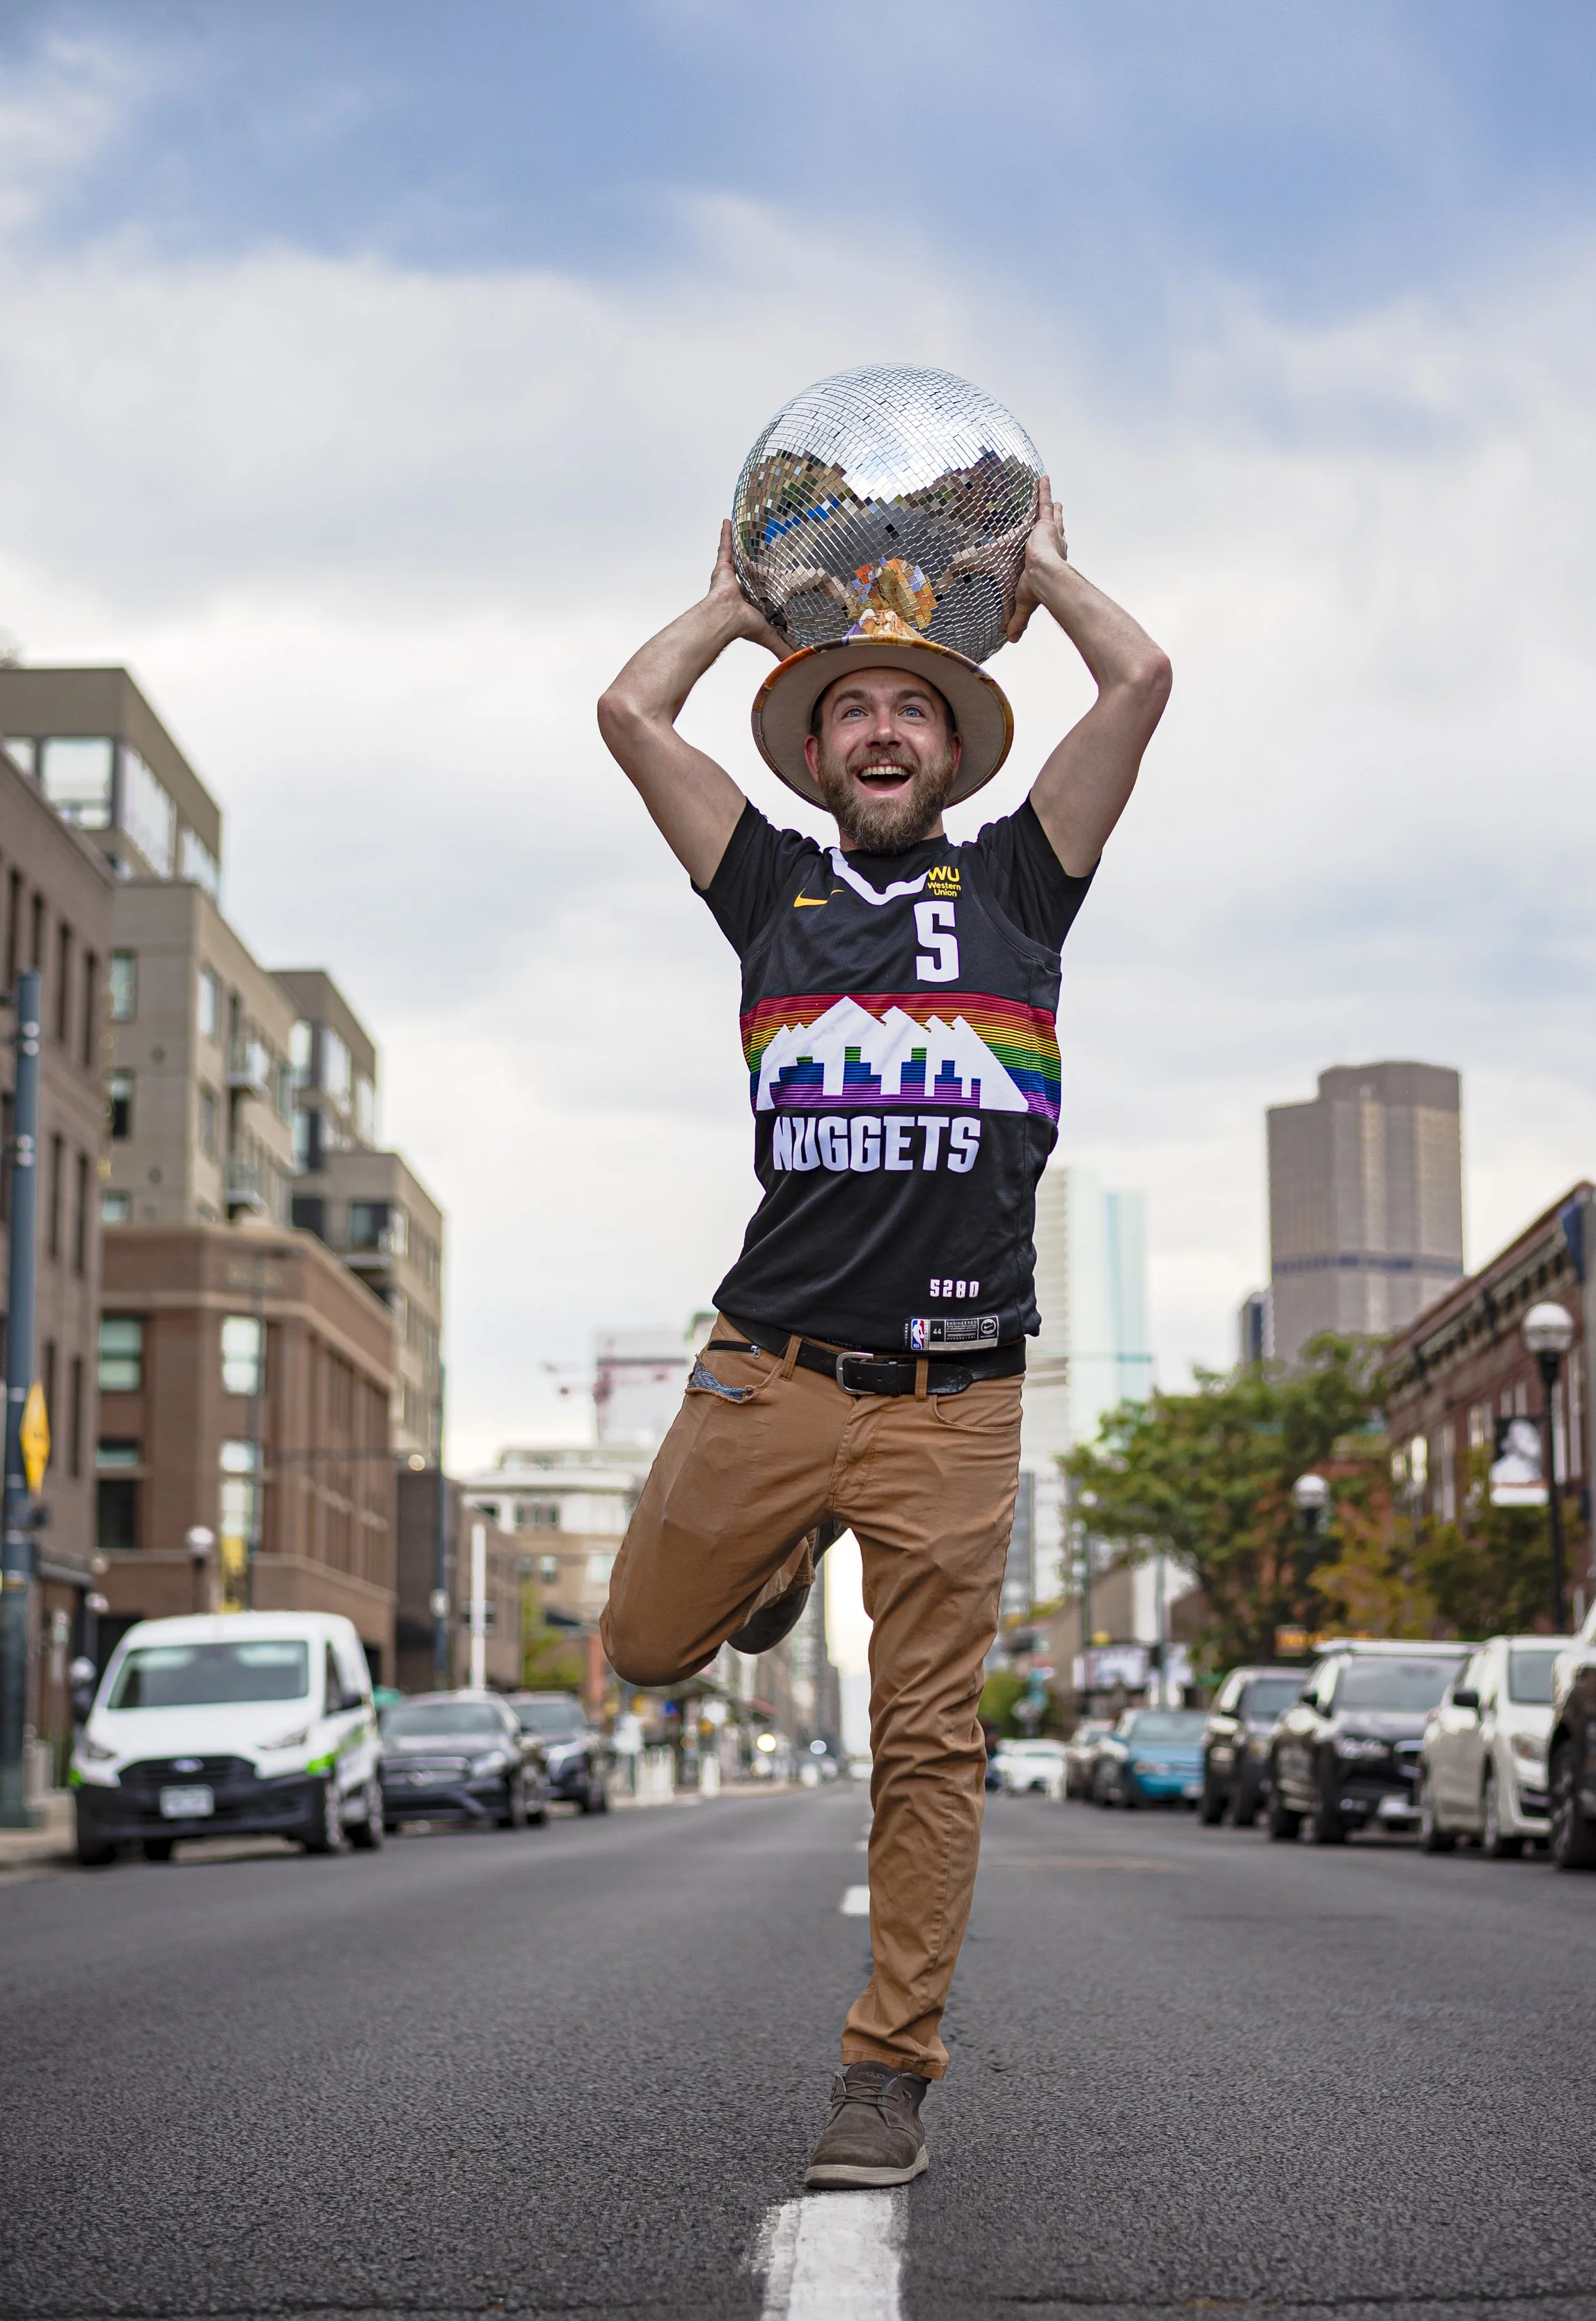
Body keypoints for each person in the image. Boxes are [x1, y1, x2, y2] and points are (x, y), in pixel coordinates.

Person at [596, 478, 1170, 2189]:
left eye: (911, 704)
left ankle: (885, 2070)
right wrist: (730, 604)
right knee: (636, 1645)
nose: (879, 725)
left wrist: (1045, 577)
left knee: (927, 1739)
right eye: (847, 703)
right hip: (768, 1363)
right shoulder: (764, 886)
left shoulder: (1021, 886)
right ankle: (769, 1558)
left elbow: (1136, 685)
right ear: (814, 743)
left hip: (955, 1401)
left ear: (953, 743)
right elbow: (628, 713)